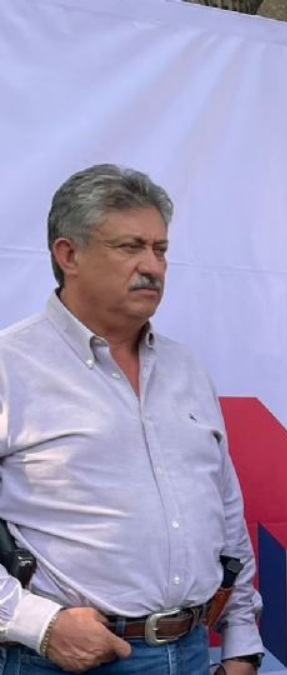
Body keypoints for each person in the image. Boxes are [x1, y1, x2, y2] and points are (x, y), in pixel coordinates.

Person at [0, 164, 264, 673]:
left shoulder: (186, 368)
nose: (152, 266)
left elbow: (225, 508)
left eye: (160, 250)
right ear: (69, 255)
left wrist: (241, 636)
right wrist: (38, 624)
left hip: (188, 653)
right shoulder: (11, 366)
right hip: (60, 660)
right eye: (130, 247)